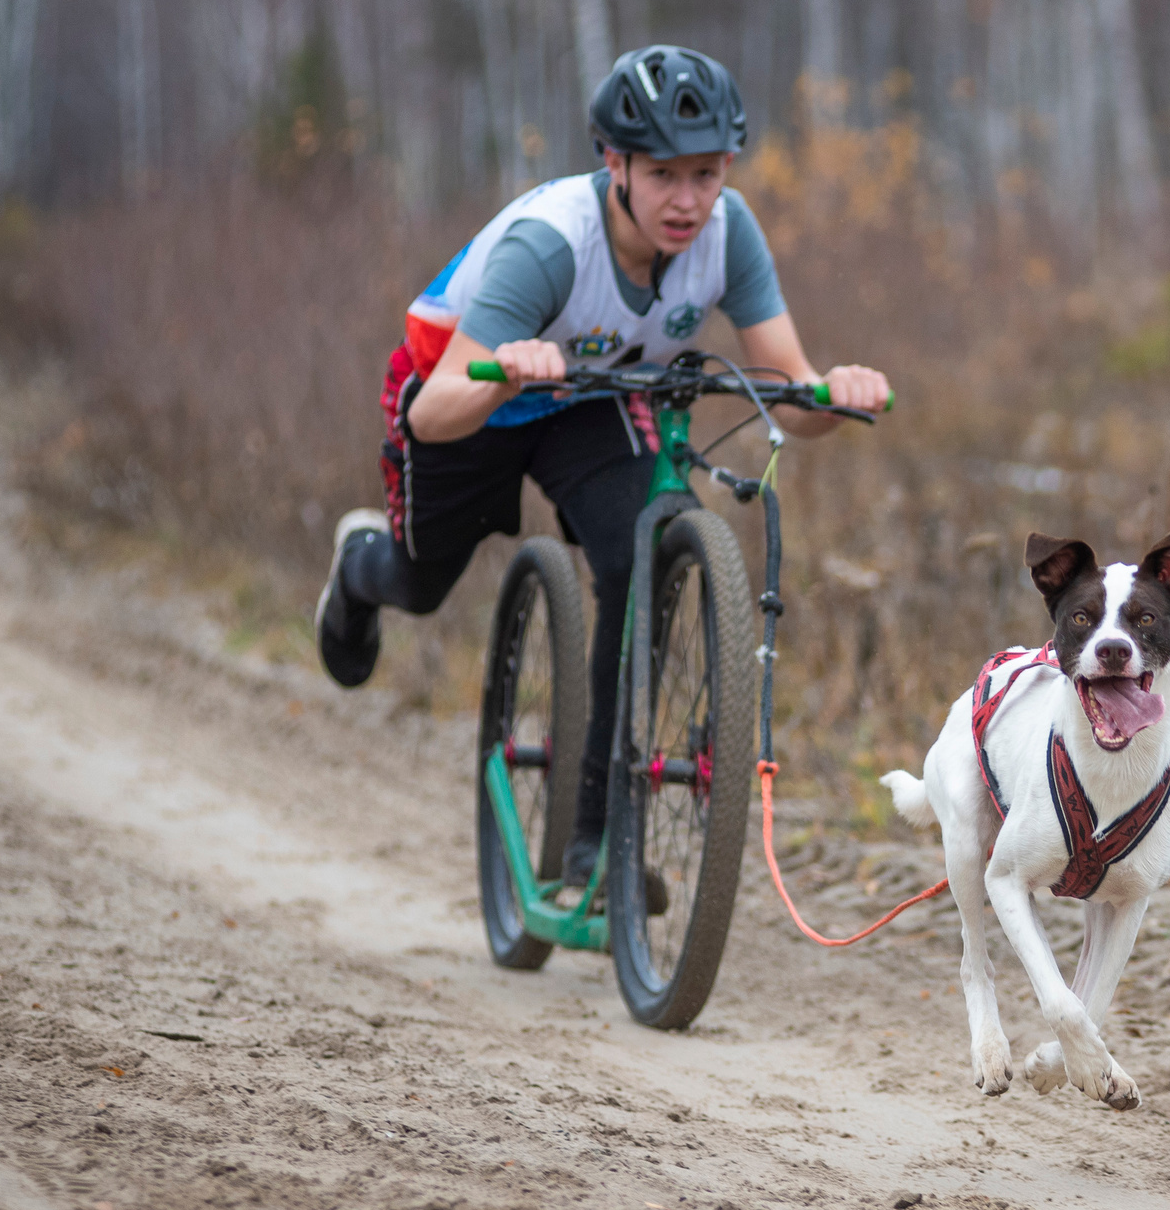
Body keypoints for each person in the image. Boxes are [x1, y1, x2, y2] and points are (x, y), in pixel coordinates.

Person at [315, 44, 889, 884]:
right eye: (664, 174)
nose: (688, 200)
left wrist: (836, 393)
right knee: (420, 584)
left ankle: (594, 837)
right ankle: (357, 570)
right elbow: (429, 414)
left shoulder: (730, 235)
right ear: (614, 162)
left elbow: (788, 396)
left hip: (588, 401)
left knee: (644, 557)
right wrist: (507, 369)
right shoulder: (550, 246)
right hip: (468, 401)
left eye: (707, 172)